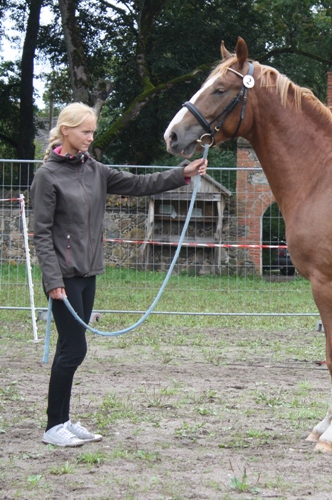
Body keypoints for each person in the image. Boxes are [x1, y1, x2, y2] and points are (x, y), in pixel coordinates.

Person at [30, 102, 207, 447]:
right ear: (66, 130)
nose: (90, 138)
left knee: (71, 347)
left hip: (88, 272)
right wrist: (52, 281)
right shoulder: (47, 176)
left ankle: (63, 420)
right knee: (73, 350)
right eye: (85, 132)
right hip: (63, 277)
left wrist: (183, 173)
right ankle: (54, 425)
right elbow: (41, 234)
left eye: (93, 132)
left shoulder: (95, 170)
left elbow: (140, 183)